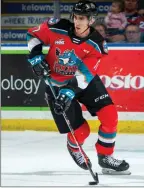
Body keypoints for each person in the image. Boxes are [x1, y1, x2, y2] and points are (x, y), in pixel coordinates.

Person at [27, 0, 130, 174]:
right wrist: (35, 57)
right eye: (76, 17)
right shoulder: (57, 27)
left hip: (85, 82)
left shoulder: (96, 43)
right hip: (56, 84)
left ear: (91, 20)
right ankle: (74, 147)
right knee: (82, 131)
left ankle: (105, 157)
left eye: (82, 18)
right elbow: (32, 35)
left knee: (110, 116)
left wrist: (69, 92)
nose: (77, 21)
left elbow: (84, 75)